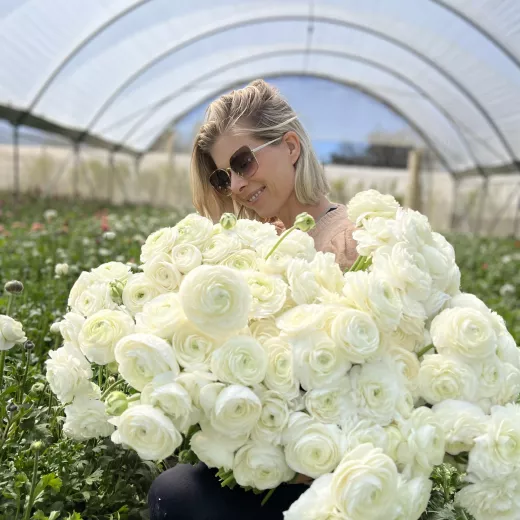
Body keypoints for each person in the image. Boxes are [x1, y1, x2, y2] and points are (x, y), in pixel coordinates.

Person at [148, 79, 358, 519]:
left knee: (179, 494)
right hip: (261, 456)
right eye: (224, 176)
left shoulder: (347, 243)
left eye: (243, 162)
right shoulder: (254, 243)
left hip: (323, 473)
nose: (237, 185)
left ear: (292, 147)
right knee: (174, 487)